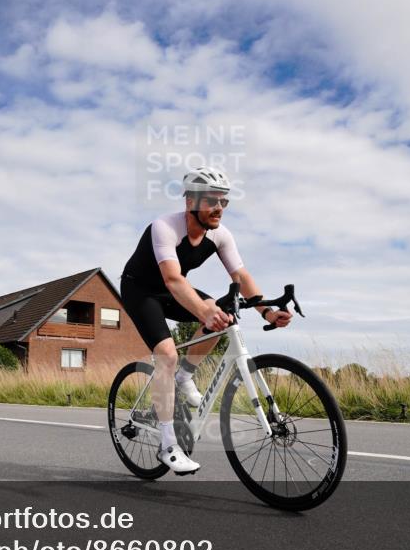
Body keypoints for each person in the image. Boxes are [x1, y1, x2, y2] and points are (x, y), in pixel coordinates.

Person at [120, 166, 292, 474]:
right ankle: (168, 446)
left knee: (221, 316)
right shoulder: (164, 227)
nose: (219, 208)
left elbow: (241, 275)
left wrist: (266, 311)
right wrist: (203, 311)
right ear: (190, 202)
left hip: (172, 290)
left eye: (223, 201)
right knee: (167, 354)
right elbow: (173, 279)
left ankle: (184, 377)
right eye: (212, 200)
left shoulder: (220, 235)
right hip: (140, 290)